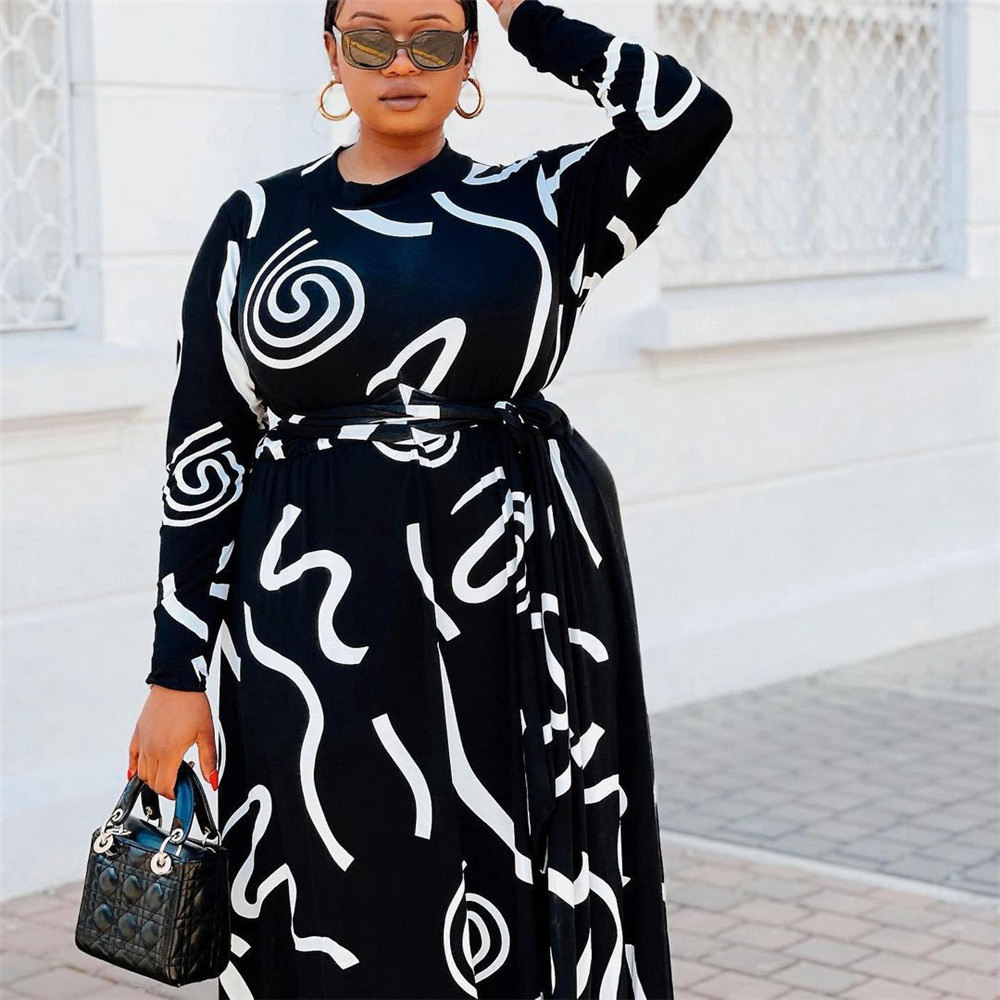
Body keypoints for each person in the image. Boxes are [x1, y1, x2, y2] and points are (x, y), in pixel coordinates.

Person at [128, 0, 732, 996]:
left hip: (507, 612)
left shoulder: (540, 205)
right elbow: (205, 451)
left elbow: (688, 118)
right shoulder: (255, 224)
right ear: (332, 55)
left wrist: (527, 15)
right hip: (306, 631)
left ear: (469, 55)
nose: (400, 62)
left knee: (499, 865)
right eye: (370, 37)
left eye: (433, 38)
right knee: (324, 868)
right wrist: (174, 674)